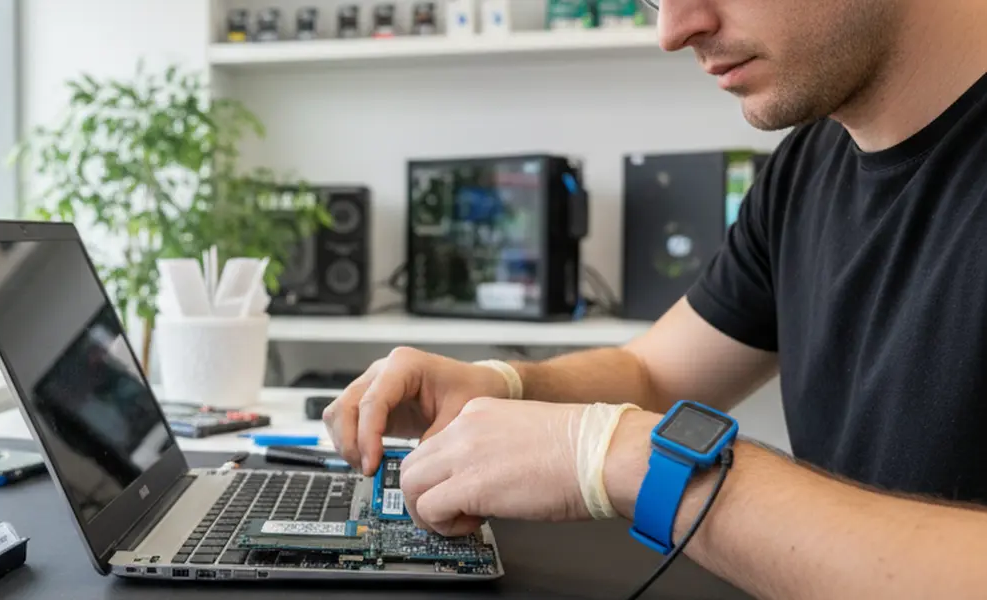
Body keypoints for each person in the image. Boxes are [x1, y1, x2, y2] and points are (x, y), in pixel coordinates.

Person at [323, 0, 987, 597]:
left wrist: (634, 460)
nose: (673, 30)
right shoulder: (806, 168)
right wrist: (499, 386)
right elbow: (655, 374)